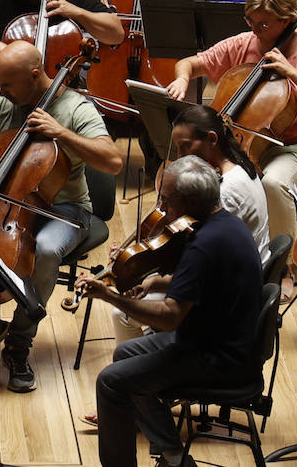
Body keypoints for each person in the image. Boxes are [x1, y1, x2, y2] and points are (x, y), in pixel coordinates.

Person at [0, 40, 122, 392]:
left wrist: (62, 133)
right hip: (5, 204)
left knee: (47, 250)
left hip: (66, 210)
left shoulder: (76, 108)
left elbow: (113, 160)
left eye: (7, 84)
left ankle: (19, 343)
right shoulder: (1, 100)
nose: (0, 93)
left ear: (35, 75)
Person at [82, 156, 263, 467]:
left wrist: (110, 297)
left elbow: (168, 318)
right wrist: (157, 280)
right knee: (126, 355)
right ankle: (174, 456)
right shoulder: (225, 224)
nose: (162, 209)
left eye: (166, 200)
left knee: (111, 381)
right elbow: (206, 286)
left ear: (191, 201)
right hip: (223, 339)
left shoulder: (203, 245)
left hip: (218, 358)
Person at [167, 0, 297, 244]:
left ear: (286, 21)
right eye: (250, 20)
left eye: (263, 24)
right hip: (245, 143)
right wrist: (182, 79)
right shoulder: (244, 43)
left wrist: (291, 71)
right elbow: (190, 64)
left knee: (273, 183)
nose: (254, 29)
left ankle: (282, 267)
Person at [170, 105, 270, 262]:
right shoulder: (240, 163)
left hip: (241, 277)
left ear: (212, 139)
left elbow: (205, 254)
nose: (180, 156)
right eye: (178, 148)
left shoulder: (226, 191)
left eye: (185, 146)